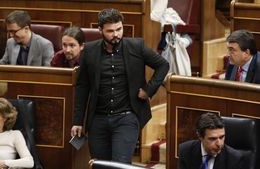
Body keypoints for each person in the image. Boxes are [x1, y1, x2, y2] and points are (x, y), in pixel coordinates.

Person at [71, 8, 169, 163]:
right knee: (100, 165)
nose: (116, 34)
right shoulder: (89, 50)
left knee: (120, 165)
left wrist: (149, 90)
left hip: (127, 117)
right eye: (110, 31)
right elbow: (82, 87)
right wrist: (77, 120)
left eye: (119, 29)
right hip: (98, 119)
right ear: (100, 30)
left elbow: (163, 65)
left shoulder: (137, 46)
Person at [178, 112, 245, 169]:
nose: (219, 144)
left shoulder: (234, 159)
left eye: (222, 137)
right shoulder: (185, 151)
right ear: (200, 136)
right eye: (213, 139)